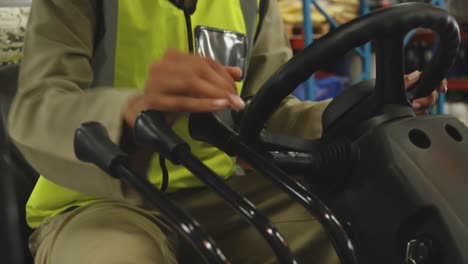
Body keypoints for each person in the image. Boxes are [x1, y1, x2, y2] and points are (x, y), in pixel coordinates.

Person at [8, 0, 444, 263]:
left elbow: (266, 109)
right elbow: (36, 108)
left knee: (378, 223)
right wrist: (133, 109)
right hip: (98, 202)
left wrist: (351, 109)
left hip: (220, 193)